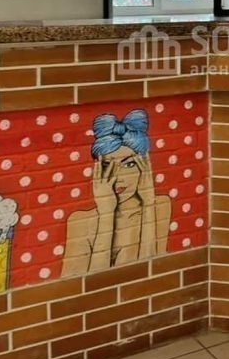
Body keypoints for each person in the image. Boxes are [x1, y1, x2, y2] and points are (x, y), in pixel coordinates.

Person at [61, 109, 171, 276]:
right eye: (107, 165)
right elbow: (88, 286)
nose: (118, 177)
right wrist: (106, 215)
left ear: (144, 167)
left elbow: (151, 273)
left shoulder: (159, 205)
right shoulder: (81, 222)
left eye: (129, 164)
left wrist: (148, 204)